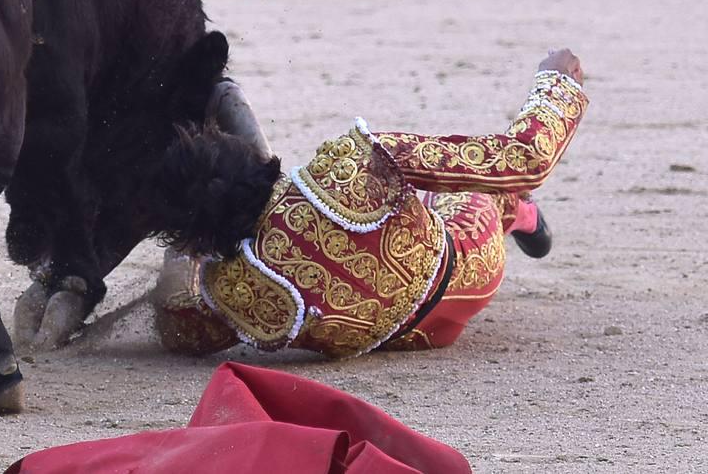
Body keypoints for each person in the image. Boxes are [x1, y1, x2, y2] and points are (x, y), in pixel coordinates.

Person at [148, 50, 587, 357]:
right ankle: (522, 215)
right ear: (245, 156)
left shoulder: (233, 292)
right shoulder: (351, 168)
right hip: (470, 268)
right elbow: (523, 158)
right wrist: (558, 83)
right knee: (467, 188)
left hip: (407, 340)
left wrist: (189, 255)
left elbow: (179, 333)